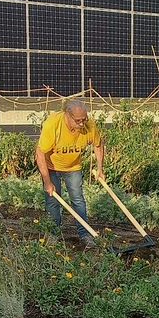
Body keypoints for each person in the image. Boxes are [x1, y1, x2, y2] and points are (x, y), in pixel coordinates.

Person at [35, 100, 105, 242]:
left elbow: (98, 145)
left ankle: (84, 234)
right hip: (51, 167)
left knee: (78, 200)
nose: (82, 124)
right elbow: (39, 153)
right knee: (53, 201)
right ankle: (53, 234)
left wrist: (100, 169)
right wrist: (47, 182)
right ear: (67, 115)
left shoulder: (88, 125)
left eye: (84, 119)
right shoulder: (53, 124)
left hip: (73, 167)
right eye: (78, 120)